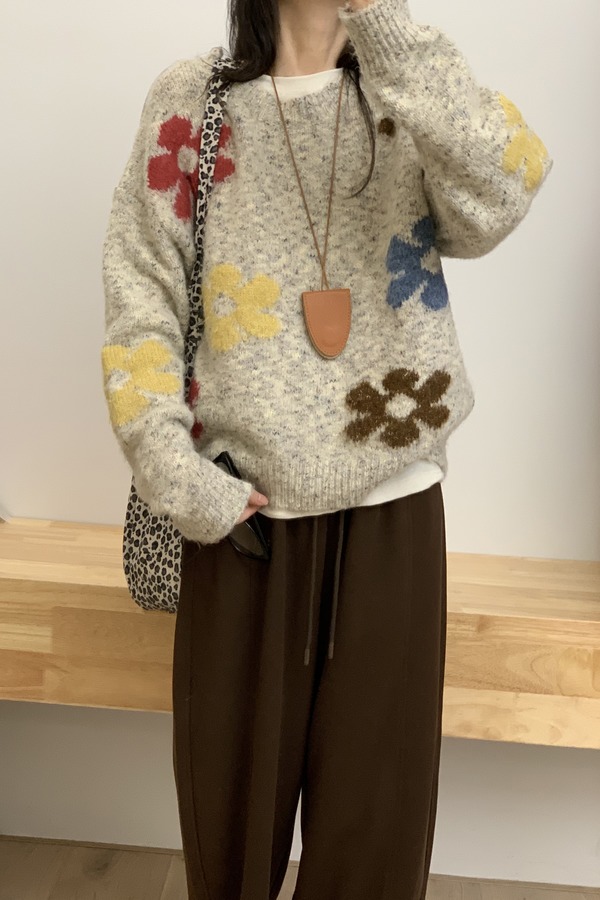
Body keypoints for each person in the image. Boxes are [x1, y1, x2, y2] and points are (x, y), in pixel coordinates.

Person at [100, 0, 552, 897]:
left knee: (373, 858)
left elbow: (505, 188)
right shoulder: (192, 100)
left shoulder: (409, 91)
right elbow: (140, 292)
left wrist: (387, 29)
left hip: (392, 519)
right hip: (240, 522)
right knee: (229, 855)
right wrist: (172, 470)